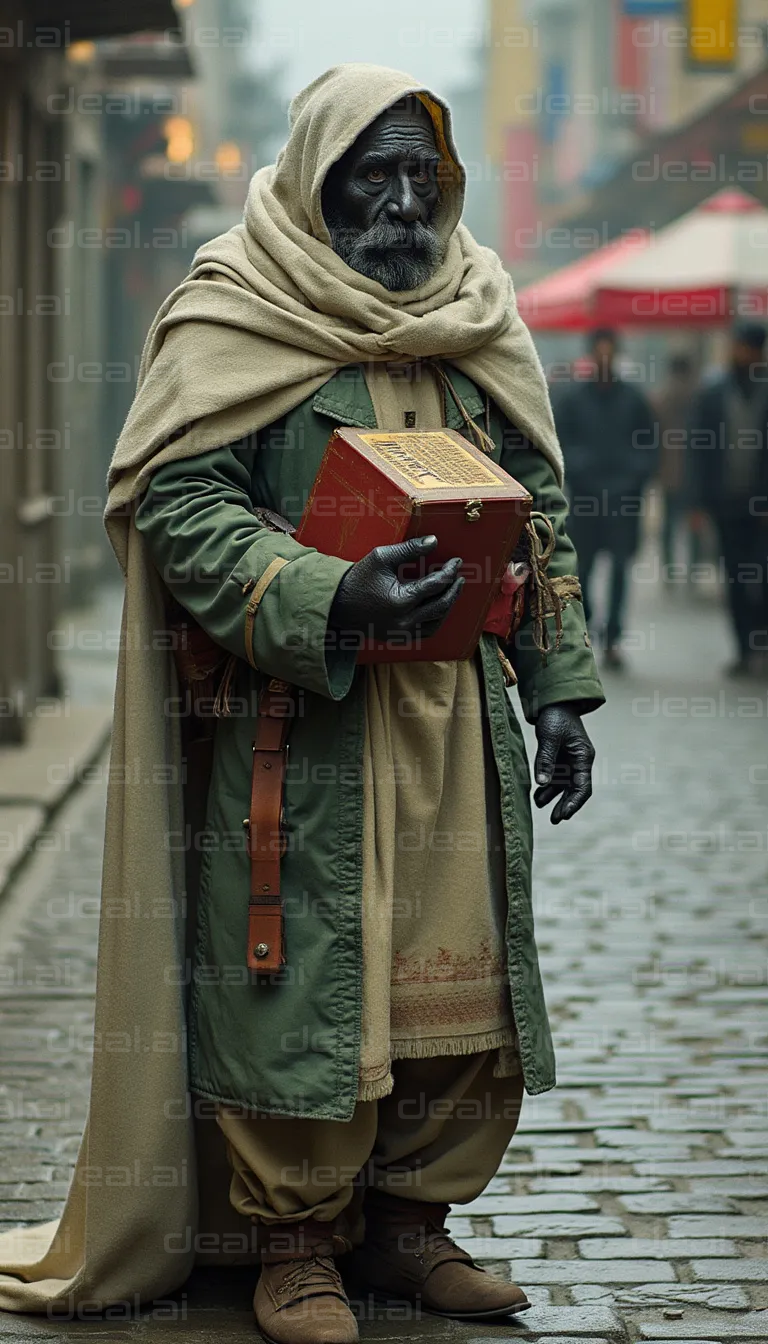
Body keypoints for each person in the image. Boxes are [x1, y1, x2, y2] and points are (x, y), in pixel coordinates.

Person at [0, 66, 604, 1342]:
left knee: (459, 989)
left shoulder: (475, 314)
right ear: (315, 181)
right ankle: (294, 1243)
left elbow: (538, 521)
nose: (400, 206)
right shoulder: (234, 308)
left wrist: (559, 693)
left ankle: (409, 1228)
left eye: (420, 181)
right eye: (370, 178)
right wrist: (330, 591)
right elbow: (180, 507)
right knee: (295, 980)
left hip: (455, 738)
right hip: (302, 733)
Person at [554, 329, 657, 669]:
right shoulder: (573, 399)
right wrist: (584, 471)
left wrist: (631, 477)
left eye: (609, 353)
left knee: (620, 570)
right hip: (586, 497)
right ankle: (589, 627)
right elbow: (563, 444)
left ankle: (613, 637)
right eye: (598, 353)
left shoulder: (633, 399)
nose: (604, 359)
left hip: (624, 499)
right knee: (582, 568)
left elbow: (649, 445)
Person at [688, 322, 768, 676]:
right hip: (727, 504)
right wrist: (699, 502)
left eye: (747, 348)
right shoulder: (714, 394)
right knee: (735, 577)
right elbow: (699, 451)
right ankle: (744, 648)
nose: (741, 353)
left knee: (762, 578)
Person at [651, 352, 697, 574]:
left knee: (668, 523)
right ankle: (694, 567)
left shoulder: (662, 398)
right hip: (693, 471)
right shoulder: (698, 395)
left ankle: (669, 567)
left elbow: (652, 437)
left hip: (668, 470)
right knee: (693, 521)